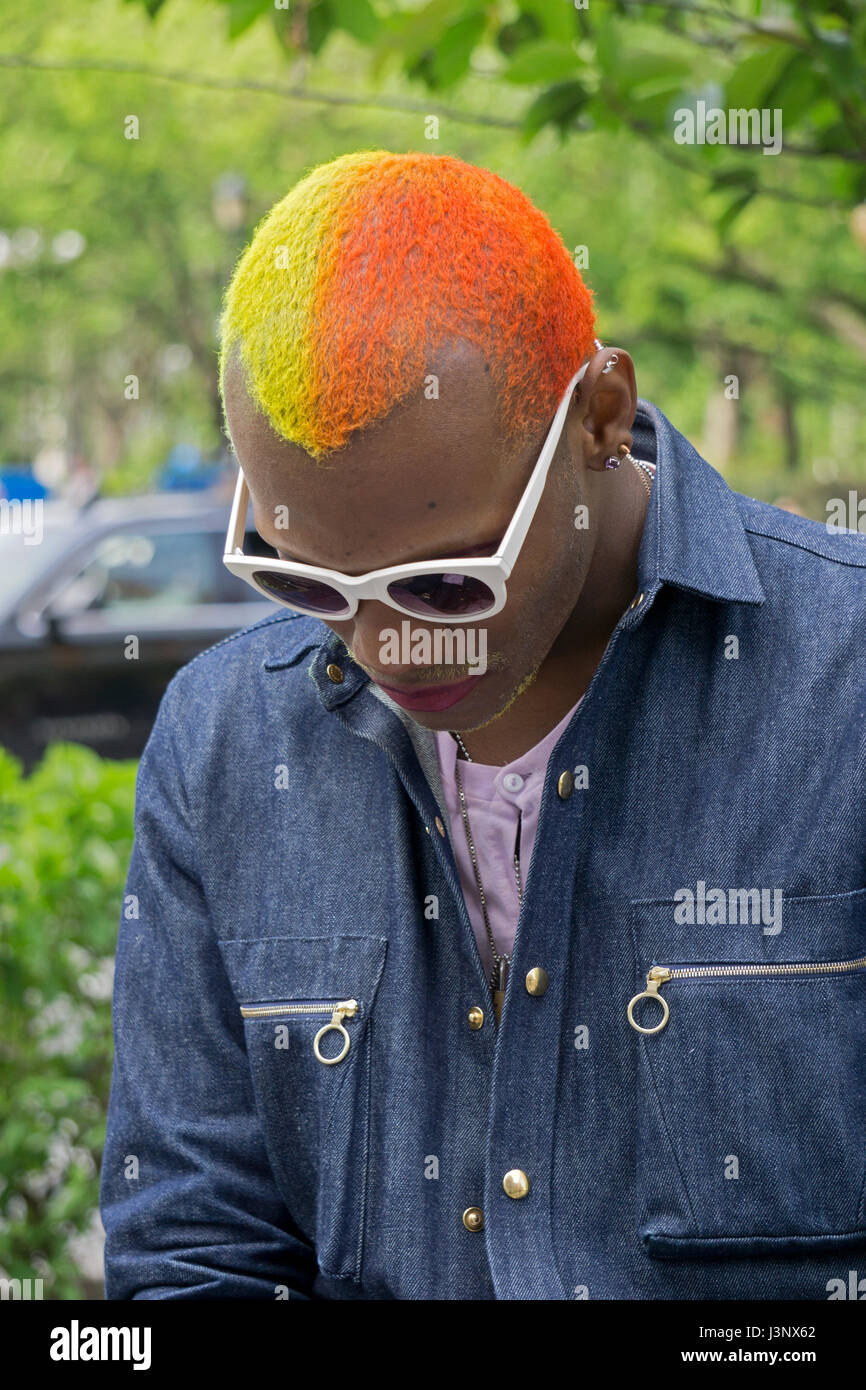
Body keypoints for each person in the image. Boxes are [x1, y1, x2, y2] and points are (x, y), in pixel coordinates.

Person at [100, 150, 866, 1300]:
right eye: (305, 585)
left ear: (598, 415)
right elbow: (192, 1250)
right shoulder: (221, 742)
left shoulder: (843, 680)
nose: (379, 646)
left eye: (443, 583)